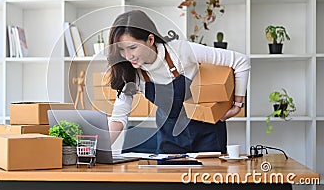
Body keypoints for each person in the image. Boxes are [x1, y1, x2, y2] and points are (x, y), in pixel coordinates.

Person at [107, 10, 250, 154]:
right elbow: (118, 118)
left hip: (207, 133)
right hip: (169, 139)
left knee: (209, 176)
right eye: (121, 50)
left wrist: (237, 104)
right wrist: (98, 149)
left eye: (132, 48)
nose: (127, 56)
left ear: (150, 40)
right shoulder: (131, 73)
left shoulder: (181, 51)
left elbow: (241, 61)